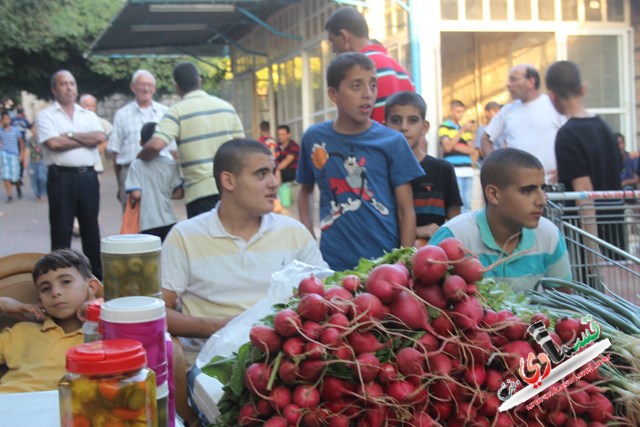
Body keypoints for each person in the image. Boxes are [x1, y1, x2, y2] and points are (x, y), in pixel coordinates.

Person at [161, 138, 326, 365]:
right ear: (228, 180)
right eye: (261, 174)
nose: (273, 183)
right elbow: (158, 311)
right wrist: (219, 327)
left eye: (273, 172)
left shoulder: (293, 232)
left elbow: (324, 297)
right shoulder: (185, 236)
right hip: (211, 368)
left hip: (284, 364)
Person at [297, 52, 424, 271]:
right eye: (357, 86)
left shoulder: (392, 141)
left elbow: (406, 210)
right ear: (333, 94)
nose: (368, 94)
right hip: (332, 263)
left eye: (373, 85)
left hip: (385, 263)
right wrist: (309, 241)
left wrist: (404, 264)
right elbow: (305, 191)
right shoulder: (314, 139)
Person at [430, 148, 572, 293]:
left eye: (543, 188)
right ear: (494, 194)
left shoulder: (549, 234)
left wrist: (586, 318)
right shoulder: (453, 237)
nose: (542, 200)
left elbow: (566, 304)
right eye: (527, 190)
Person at [138, 62, 245, 218]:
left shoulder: (177, 111)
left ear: (176, 86)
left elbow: (155, 145)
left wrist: (140, 158)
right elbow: (241, 148)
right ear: (199, 80)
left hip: (199, 193)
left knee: (203, 241)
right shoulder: (226, 107)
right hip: (230, 188)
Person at [546, 60, 624, 260]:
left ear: (552, 96)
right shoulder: (605, 128)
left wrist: (592, 257)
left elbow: (585, 194)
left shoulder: (567, 135)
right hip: (616, 230)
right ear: (583, 89)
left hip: (588, 240)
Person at [35, 70, 107, 280]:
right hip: (61, 178)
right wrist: (85, 139)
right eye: (63, 84)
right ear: (54, 89)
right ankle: (60, 279)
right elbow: (53, 144)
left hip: (87, 177)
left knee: (91, 231)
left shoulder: (88, 114)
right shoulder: (46, 115)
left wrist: (69, 135)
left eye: (72, 83)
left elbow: (100, 136)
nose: (69, 88)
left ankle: (96, 280)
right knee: (61, 231)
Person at [0, 249, 101, 393]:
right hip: (8, 403)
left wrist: (97, 307)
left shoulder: (100, 337)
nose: (55, 292)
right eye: (46, 288)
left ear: (91, 287)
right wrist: (3, 304)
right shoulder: (21, 332)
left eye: (65, 282)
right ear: (40, 299)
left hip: (63, 409)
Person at [385, 91, 462, 243]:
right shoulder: (379, 171)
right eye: (396, 120)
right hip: (388, 258)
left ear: (425, 127)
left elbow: (457, 227)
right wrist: (419, 231)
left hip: (435, 258)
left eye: (412, 120)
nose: (404, 127)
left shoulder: (443, 170)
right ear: (384, 126)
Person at [325, 6, 414, 124]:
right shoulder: (402, 71)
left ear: (344, 37)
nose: (333, 50)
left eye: (333, 41)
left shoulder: (357, 73)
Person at [480, 64, 565, 183]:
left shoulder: (554, 106)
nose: (508, 84)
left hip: (550, 186)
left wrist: (565, 169)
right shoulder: (506, 111)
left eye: (513, 79)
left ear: (531, 82)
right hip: (517, 186)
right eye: (509, 79)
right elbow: (485, 139)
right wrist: (496, 166)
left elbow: (572, 141)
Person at [125, 122, 183, 242]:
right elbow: (179, 193)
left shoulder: (136, 165)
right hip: (168, 220)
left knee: (150, 256)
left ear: (141, 143)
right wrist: (164, 194)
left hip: (147, 223)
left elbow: (136, 194)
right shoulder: (170, 164)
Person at [439, 100, 476, 214]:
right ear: (451, 111)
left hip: (468, 170)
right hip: (454, 170)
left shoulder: (466, 130)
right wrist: (462, 131)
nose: (461, 114)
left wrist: (454, 145)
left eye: (462, 112)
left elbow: (472, 150)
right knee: (456, 204)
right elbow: (447, 148)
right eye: (458, 112)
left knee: (468, 204)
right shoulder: (444, 126)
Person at [79, 94, 111, 174]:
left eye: (92, 106)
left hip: (96, 165)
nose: (89, 109)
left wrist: (103, 145)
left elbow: (112, 135)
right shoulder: (75, 122)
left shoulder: (101, 122)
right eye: (87, 105)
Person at [0, 111, 25, 202]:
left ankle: (18, 187)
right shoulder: (1, 131)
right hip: (4, 155)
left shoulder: (15, 130)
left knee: (15, 177)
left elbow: (21, 142)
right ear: (2, 120)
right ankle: (10, 195)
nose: (7, 121)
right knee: (6, 176)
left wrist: (22, 154)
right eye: (5, 119)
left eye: (8, 119)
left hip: (14, 155)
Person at [474, 101, 501, 168]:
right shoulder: (482, 129)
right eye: (494, 111)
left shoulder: (501, 128)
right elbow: (480, 149)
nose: (497, 114)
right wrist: (490, 161)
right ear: (487, 113)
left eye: (498, 111)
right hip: (487, 164)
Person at [10, 106, 32, 188]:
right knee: (21, 160)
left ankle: (13, 177)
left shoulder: (13, 120)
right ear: (22, 112)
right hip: (22, 141)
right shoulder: (24, 120)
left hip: (13, 141)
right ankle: (20, 177)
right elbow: (30, 127)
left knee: (14, 159)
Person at [26, 126, 47, 201]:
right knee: (34, 179)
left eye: (36, 127)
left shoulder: (43, 139)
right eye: (33, 128)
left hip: (42, 161)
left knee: (42, 178)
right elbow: (27, 150)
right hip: (33, 161)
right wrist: (25, 162)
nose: (34, 130)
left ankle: (42, 193)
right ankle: (37, 194)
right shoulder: (29, 140)